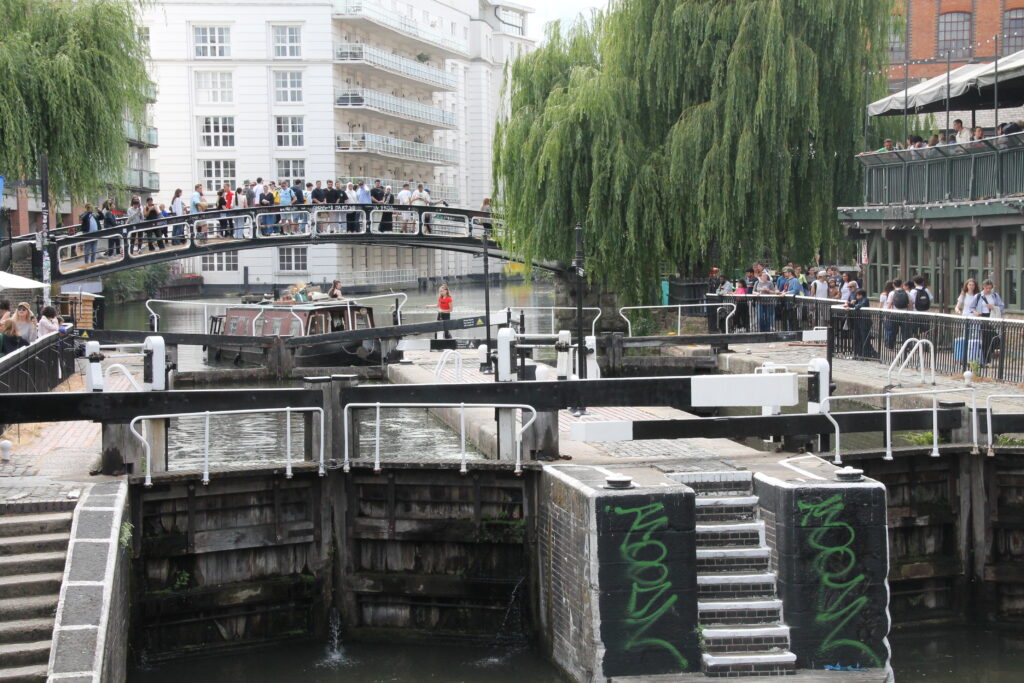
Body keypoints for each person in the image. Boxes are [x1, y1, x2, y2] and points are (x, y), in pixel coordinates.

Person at [971, 279, 1006, 363]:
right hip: (983, 317)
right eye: (987, 288)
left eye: (990, 288)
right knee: (986, 339)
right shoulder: (978, 296)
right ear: (983, 287)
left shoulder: (995, 295)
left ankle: (989, 355)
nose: (988, 290)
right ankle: (986, 361)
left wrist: (993, 307)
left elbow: (1002, 306)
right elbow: (971, 307)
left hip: (992, 317)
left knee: (996, 338)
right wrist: (975, 312)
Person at [846, 289, 877, 358]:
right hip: (859, 321)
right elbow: (855, 305)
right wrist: (849, 304)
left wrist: (854, 305)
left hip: (864, 322)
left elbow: (859, 306)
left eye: (857, 295)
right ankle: (859, 353)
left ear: (860, 295)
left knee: (864, 338)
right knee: (859, 338)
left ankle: (866, 354)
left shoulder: (865, 300)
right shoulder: (859, 300)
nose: (856, 297)